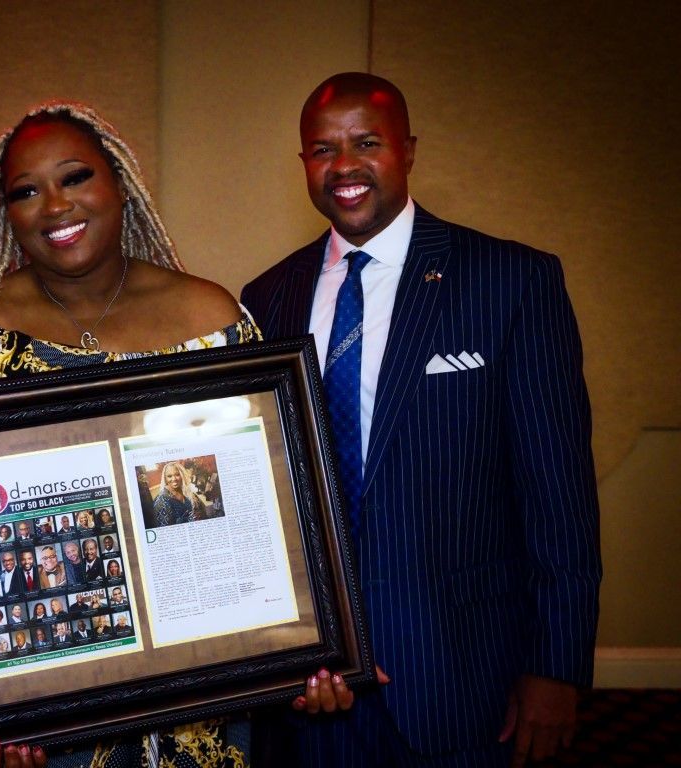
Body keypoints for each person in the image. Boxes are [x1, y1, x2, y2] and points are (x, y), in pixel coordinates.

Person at [241, 72, 601, 767]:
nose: (344, 166)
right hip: (313, 691)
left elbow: (560, 495)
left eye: (366, 142)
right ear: (303, 165)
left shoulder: (510, 281)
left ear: (407, 149)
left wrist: (556, 669)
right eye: (322, 149)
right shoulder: (269, 295)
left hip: (464, 677)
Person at [0, 101, 257, 768]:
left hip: (200, 683)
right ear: (6, 214)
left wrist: (308, 637)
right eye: (26, 191)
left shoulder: (215, 323)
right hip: (42, 705)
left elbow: (254, 507)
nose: (54, 206)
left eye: (75, 178)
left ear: (119, 186)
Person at [152, 461, 194, 526]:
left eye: (177, 475)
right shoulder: (162, 501)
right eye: (169, 476)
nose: (174, 479)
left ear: (182, 475)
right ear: (165, 479)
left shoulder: (183, 491)